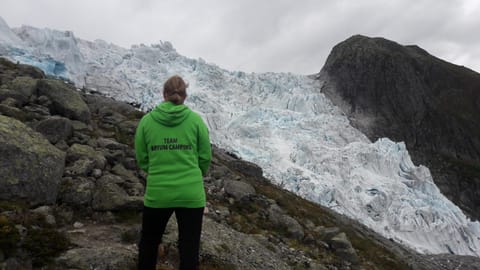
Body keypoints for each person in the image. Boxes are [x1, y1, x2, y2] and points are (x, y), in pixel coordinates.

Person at [135, 75, 212, 270]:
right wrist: (194, 176)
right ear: (185, 96)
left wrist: (157, 171)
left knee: (149, 243)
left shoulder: (147, 121)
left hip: (158, 193)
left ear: (164, 94)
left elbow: (142, 158)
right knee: (189, 246)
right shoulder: (195, 121)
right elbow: (205, 157)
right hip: (191, 194)